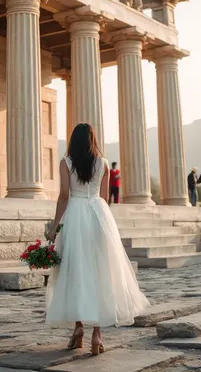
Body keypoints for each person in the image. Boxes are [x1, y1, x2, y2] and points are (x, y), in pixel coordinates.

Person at [46, 123, 149, 355]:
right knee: (100, 270)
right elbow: (103, 198)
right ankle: (97, 335)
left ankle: (79, 327)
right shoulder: (103, 164)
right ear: (93, 140)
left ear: (73, 140)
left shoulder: (66, 163)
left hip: (75, 215)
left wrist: (54, 227)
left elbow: (64, 196)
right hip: (98, 215)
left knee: (75, 270)